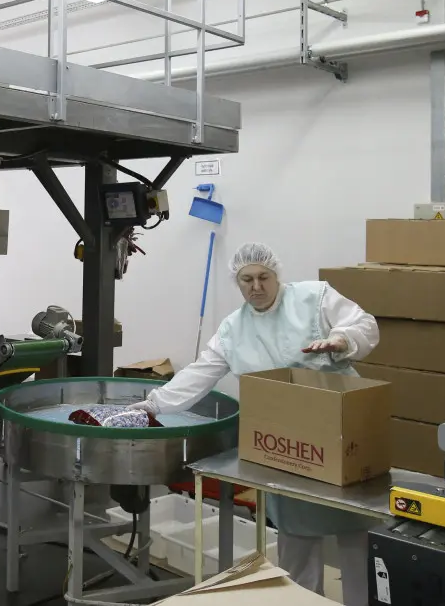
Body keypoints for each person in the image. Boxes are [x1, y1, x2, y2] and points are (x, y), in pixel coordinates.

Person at [130, 242, 380, 605]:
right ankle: (305, 599)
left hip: (342, 428)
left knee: (357, 532)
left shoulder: (313, 297)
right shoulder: (234, 328)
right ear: (238, 282)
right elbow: (201, 373)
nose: (256, 287)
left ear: (277, 275)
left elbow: (363, 324)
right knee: (296, 532)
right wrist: (153, 405)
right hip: (286, 440)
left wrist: (342, 340)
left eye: (263, 277)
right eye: (246, 279)